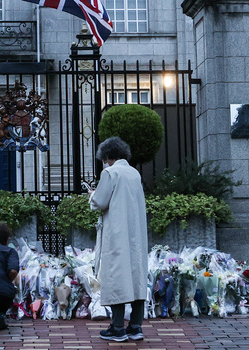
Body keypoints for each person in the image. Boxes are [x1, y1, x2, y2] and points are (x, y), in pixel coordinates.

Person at [89, 136, 148, 342]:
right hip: (136, 233)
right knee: (136, 277)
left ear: (107, 156)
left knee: (116, 277)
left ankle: (117, 328)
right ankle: (136, 326)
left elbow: (100, 202)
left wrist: (92, 195)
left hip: (117, 233)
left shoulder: (110, 172)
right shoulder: (134, 173)